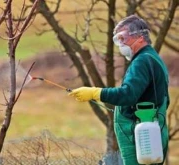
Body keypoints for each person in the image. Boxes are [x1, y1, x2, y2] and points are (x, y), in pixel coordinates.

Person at [69, 15, 170, 165]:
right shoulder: (153, 58)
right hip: (151, 135)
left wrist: (95, 93)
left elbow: (128, 94)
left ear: (140, 38)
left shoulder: (142, 61)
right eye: (118, 40)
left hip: (142, 139)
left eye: (123, 38)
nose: (120, 44)